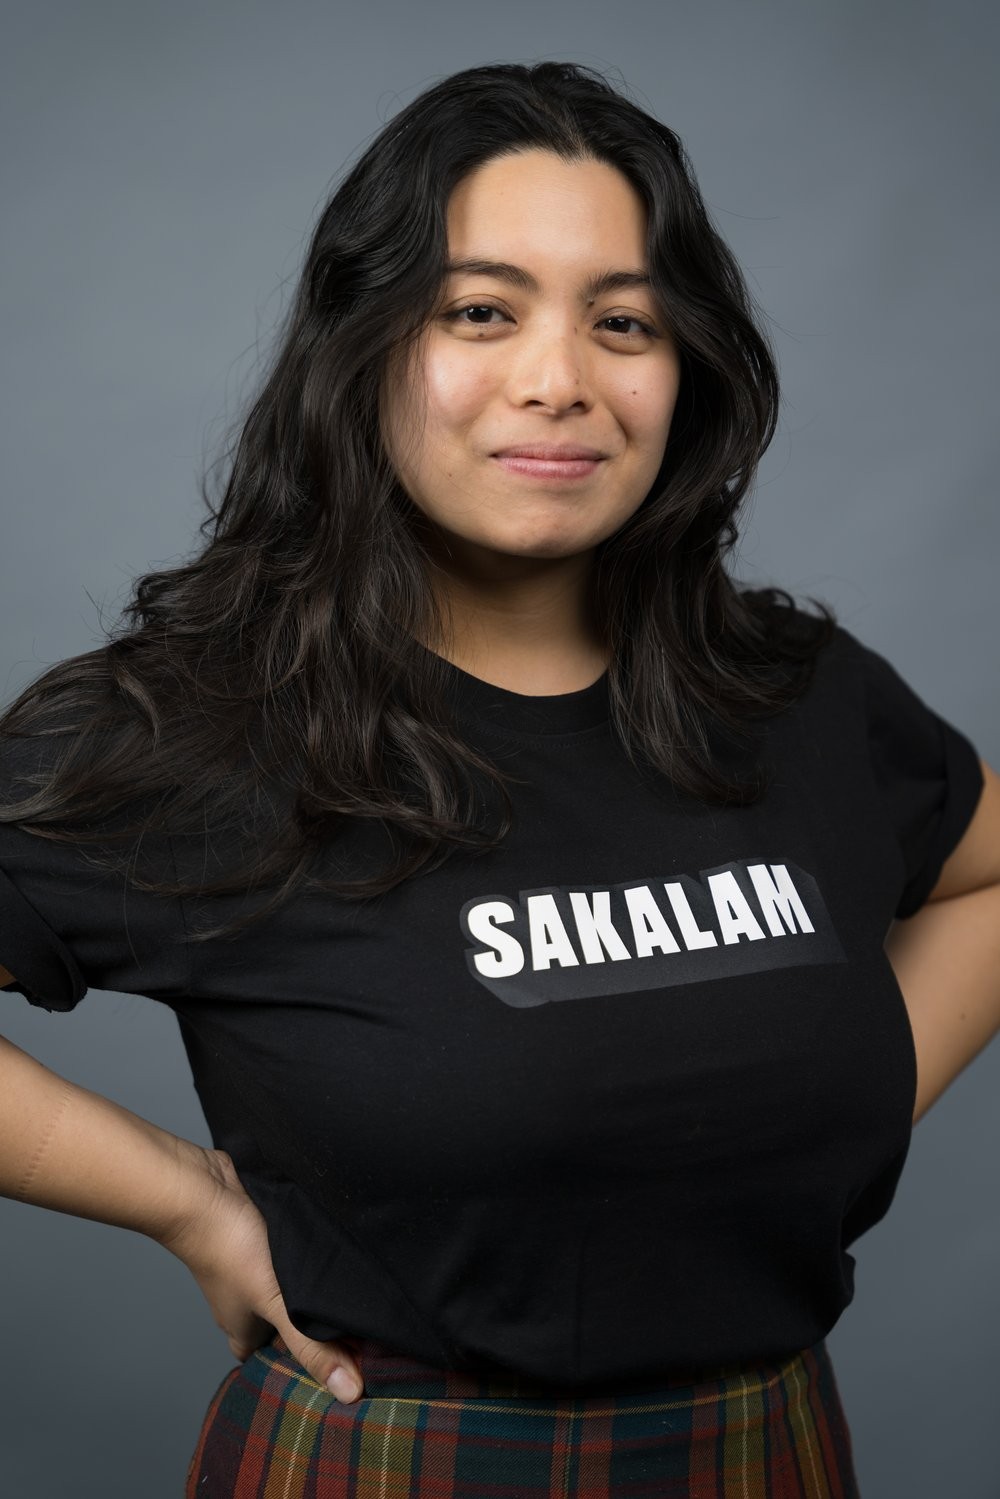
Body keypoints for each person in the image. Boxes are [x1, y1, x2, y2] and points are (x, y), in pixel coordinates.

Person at [1, 58, 997, 1499]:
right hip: (401, 1462)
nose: (559, 381)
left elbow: (984, 868)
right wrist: (182, 1203)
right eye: (482, 311)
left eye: (624, 322)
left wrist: (840, 1078)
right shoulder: (206, 728)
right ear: (367, 344)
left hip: (766, 1451)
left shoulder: (795, 695)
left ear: (686, 367)